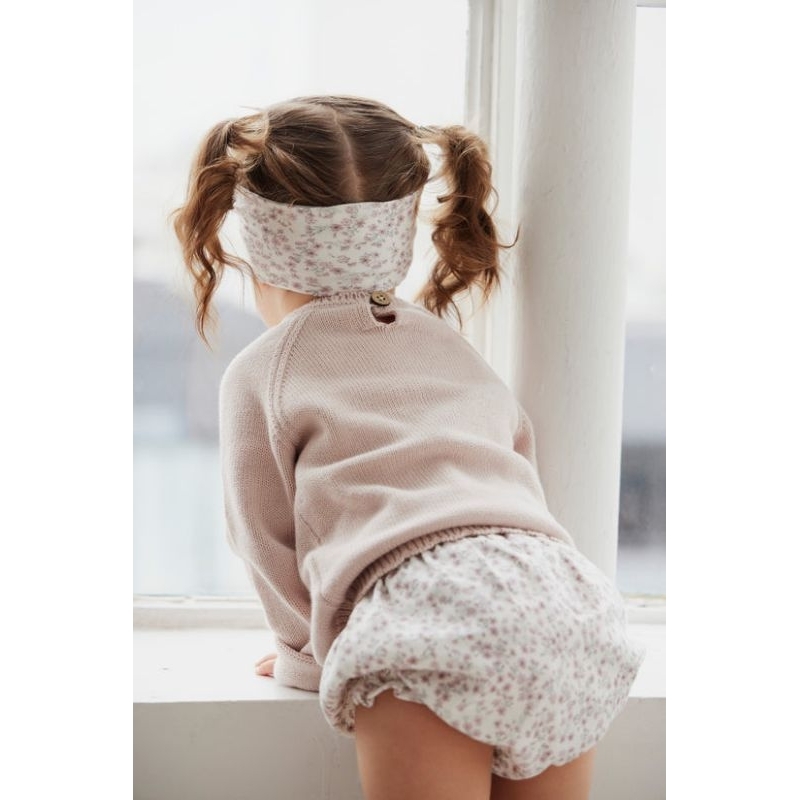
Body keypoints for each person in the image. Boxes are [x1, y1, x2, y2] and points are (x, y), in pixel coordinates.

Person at [172, 95, 646, 800]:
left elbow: (265, 536)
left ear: (259, 244)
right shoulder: (448, 346)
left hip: (430, 609)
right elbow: (517, 459)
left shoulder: (264, 369)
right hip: (564, 596)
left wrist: (304, 657)